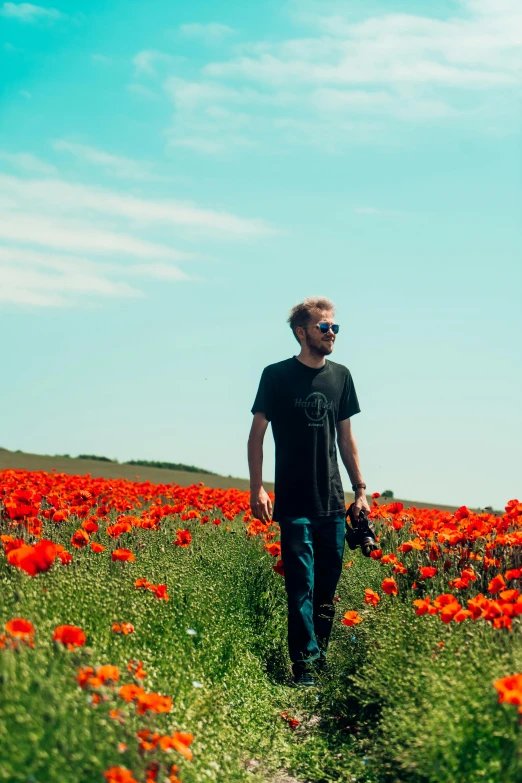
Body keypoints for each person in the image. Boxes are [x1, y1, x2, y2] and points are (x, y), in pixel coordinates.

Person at [248, 296, 371, 687]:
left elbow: (346, 438)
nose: (331, 332)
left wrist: (361, 491)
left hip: (332, 503)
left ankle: (319, 658)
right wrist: (257, 489)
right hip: (294, 502)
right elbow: (256, 435)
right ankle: (305, 667)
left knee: (326, 590)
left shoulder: (342, 376)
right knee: (300, 584)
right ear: (302, 332)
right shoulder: (275, 376)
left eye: (335, 327)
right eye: (324, 327)